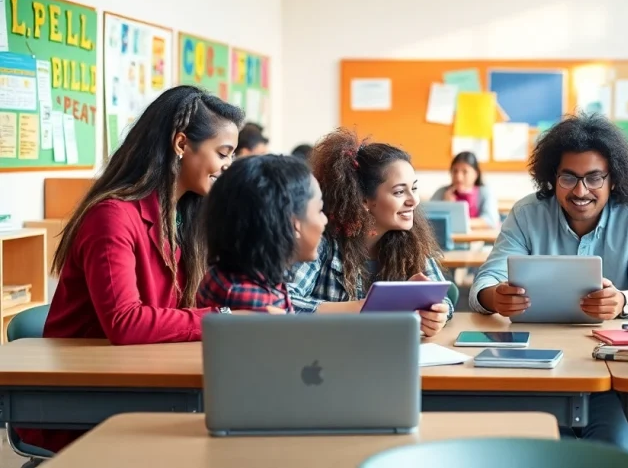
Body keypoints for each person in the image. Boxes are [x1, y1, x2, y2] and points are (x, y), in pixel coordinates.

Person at [17, 85, 244, 453]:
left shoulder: (185, 218)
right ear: (182, 144)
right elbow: (125, 322)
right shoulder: (111, 217)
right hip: (83, 401)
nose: (227, 166)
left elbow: (185, 308)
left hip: (145, 382)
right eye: (223, 153)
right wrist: (223, 317)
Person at [469, 113, 628, 457]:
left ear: (613, 179)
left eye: (594, 178)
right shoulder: (527, 213)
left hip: (618, 376)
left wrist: (621, 301)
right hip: (537, 369)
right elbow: (486, 281)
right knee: (538, 453)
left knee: (614, 452)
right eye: (568, 178)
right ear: (552, 177)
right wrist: (495, 298)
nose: (580, 191)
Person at [287, 129, 452, 336]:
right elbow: (284, 302)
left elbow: (441, 295)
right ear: (364, 200)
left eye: (414, 188)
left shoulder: (410, 239)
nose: (414, 200)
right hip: (326, 356)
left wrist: (438, 315)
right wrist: (366, 308)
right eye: (399, 192)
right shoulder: (322, 240)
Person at [197, 155, 327, 312]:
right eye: (320, 210)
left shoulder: (224, 275)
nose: (324, 220)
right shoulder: (258, 302)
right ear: (294, 224)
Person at [431, 151, 500, 229]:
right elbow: (428, 218)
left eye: (465, 172)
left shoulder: (484, 192)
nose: (458, 177)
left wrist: (462, 223)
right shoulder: (442, 192)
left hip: (477, 239)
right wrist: (445, 206)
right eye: (455, 171)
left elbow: (491, 220)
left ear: (476, 174)